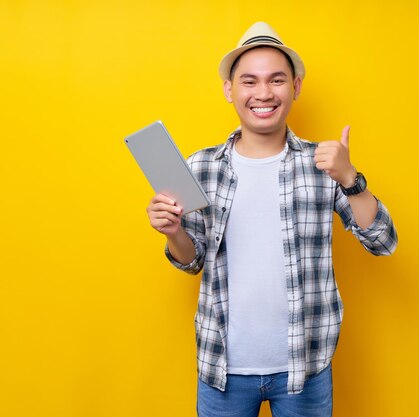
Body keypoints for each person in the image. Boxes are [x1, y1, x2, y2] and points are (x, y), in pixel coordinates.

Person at [146, 22, 398, 417]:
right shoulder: (201, 167)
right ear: (230, 90)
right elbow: (189, 261)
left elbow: (382, 241)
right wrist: (173, 231)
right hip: (222, 368)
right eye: (249, 81)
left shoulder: (324, 164)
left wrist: (351, 179)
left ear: (295, 87)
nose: (263, 93)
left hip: (305, 368)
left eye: (276, 80)